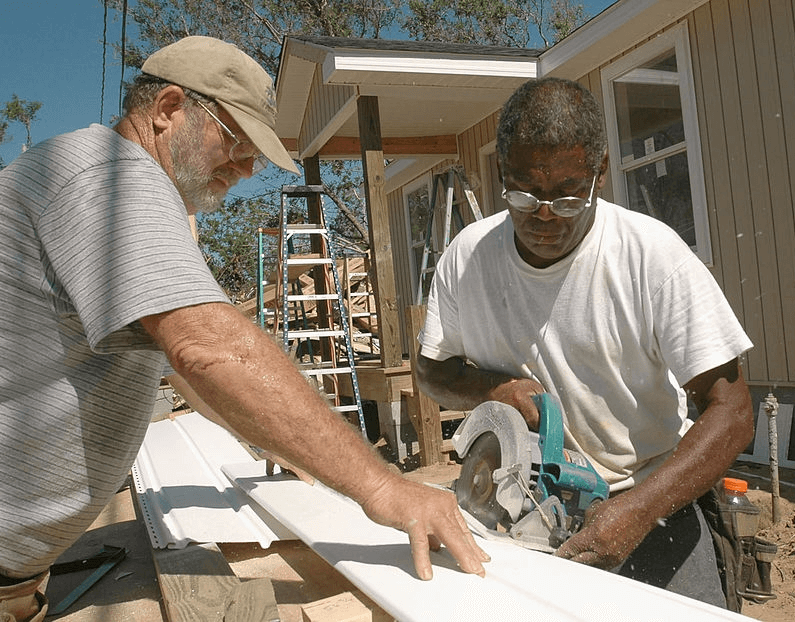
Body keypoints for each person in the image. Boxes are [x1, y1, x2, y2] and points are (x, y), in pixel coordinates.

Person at [0, 36, 488, 622]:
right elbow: (207, 348)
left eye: (256, 154)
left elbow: (186, 371)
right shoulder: (107, 178)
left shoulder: (126, 188)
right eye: (236, 140)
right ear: (168, 109)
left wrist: (273, 434)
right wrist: (383, 487)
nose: (246, 167)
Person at [415, 76, 754, 608]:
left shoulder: (651, 258)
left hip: (648, 497)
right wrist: (491, 389)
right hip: (510, 506)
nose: (545, 216)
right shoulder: (467, 259)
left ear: (599, 172)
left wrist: (641, 511)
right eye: (525, 194)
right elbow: (431, 372)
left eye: (568, 197)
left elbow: (732, 411)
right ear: (501, 173)